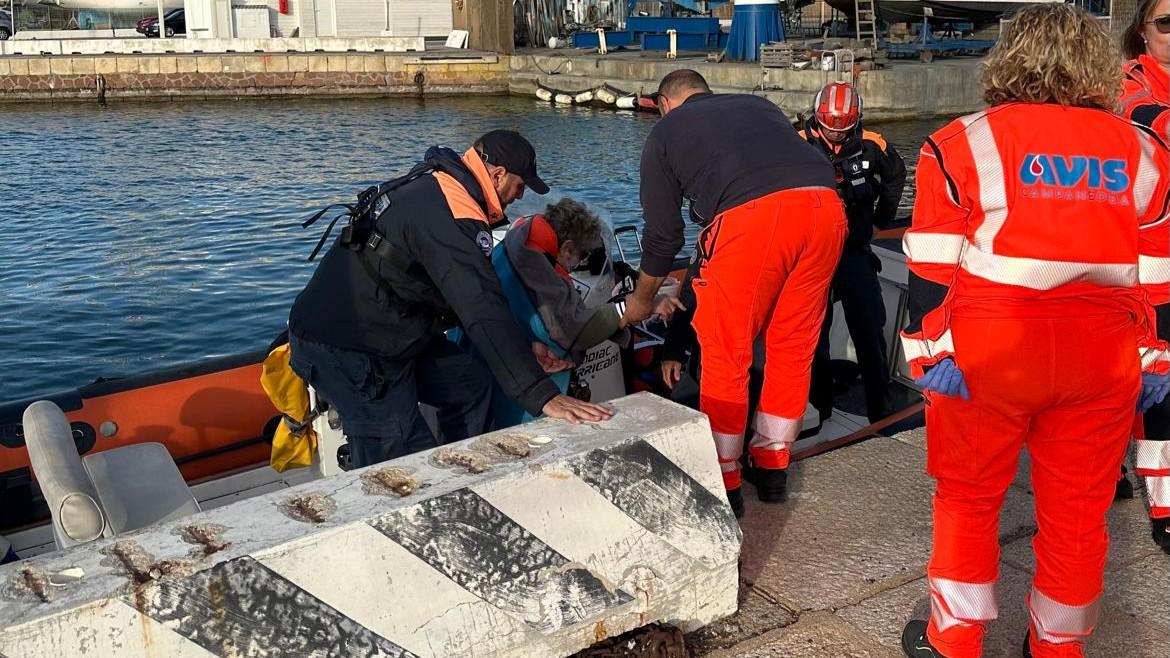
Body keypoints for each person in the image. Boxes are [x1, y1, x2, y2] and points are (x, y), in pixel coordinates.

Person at [898, 6, 1170, 658]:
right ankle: (1055, 646)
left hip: (993, 352)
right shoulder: (1146, 151)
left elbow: (931, 271)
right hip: (1101, 359)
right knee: (1078, 516)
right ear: (1098, 65)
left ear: (1009, 57)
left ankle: (954, 641)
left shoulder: (960, 142)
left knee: (968, 504)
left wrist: (928, 357)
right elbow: (1159, 279)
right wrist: (1156, 362)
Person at [287, 130, 613, 469]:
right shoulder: (454, 214)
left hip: (396, 331)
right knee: (401, 455)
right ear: (497, 175)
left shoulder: (442, 186)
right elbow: (481, 306)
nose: (520, 195)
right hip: (347, 346)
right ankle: (419, 502)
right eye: (520, 185)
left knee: (471, 385)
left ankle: (464, 473)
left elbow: (453, 293)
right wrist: (543, 395)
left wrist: (525, 348)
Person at [621, 68, 846, 514]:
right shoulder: (758, 106)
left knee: (727, 351)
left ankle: (725, 479)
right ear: (706, 92)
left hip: (755, 220)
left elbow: (663, 238)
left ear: (665, 104)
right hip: (826, 210)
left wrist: (642, 300)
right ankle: (773, 465)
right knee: (792, 346)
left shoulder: (665, 132)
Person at [800, 82, 907, 424]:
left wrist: (881, 221)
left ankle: (881, 409)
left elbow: (896, 175)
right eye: (828, 127)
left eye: (842, 130)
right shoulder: (795, 142)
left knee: (869, 328)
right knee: (814, 333)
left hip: (853, 251)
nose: (834, 137)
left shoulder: (873, 144)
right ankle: (820, 408)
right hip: (812, 256)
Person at [487, 197, 635, 428]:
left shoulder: (516, 240)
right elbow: (573, 329)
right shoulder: (537, 266)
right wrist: (628, 308)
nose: (578, 264)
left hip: (497, 351)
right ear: (567, 248)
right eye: (582, 256)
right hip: (512, 387)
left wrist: (531, 341)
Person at [1118, 0, 1170, 554]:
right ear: (1143, 32)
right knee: (1156, 390)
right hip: (1145, 272)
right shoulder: (1130, 90)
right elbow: (1150, 122)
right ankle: (1165, 503)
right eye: (1166, 23)